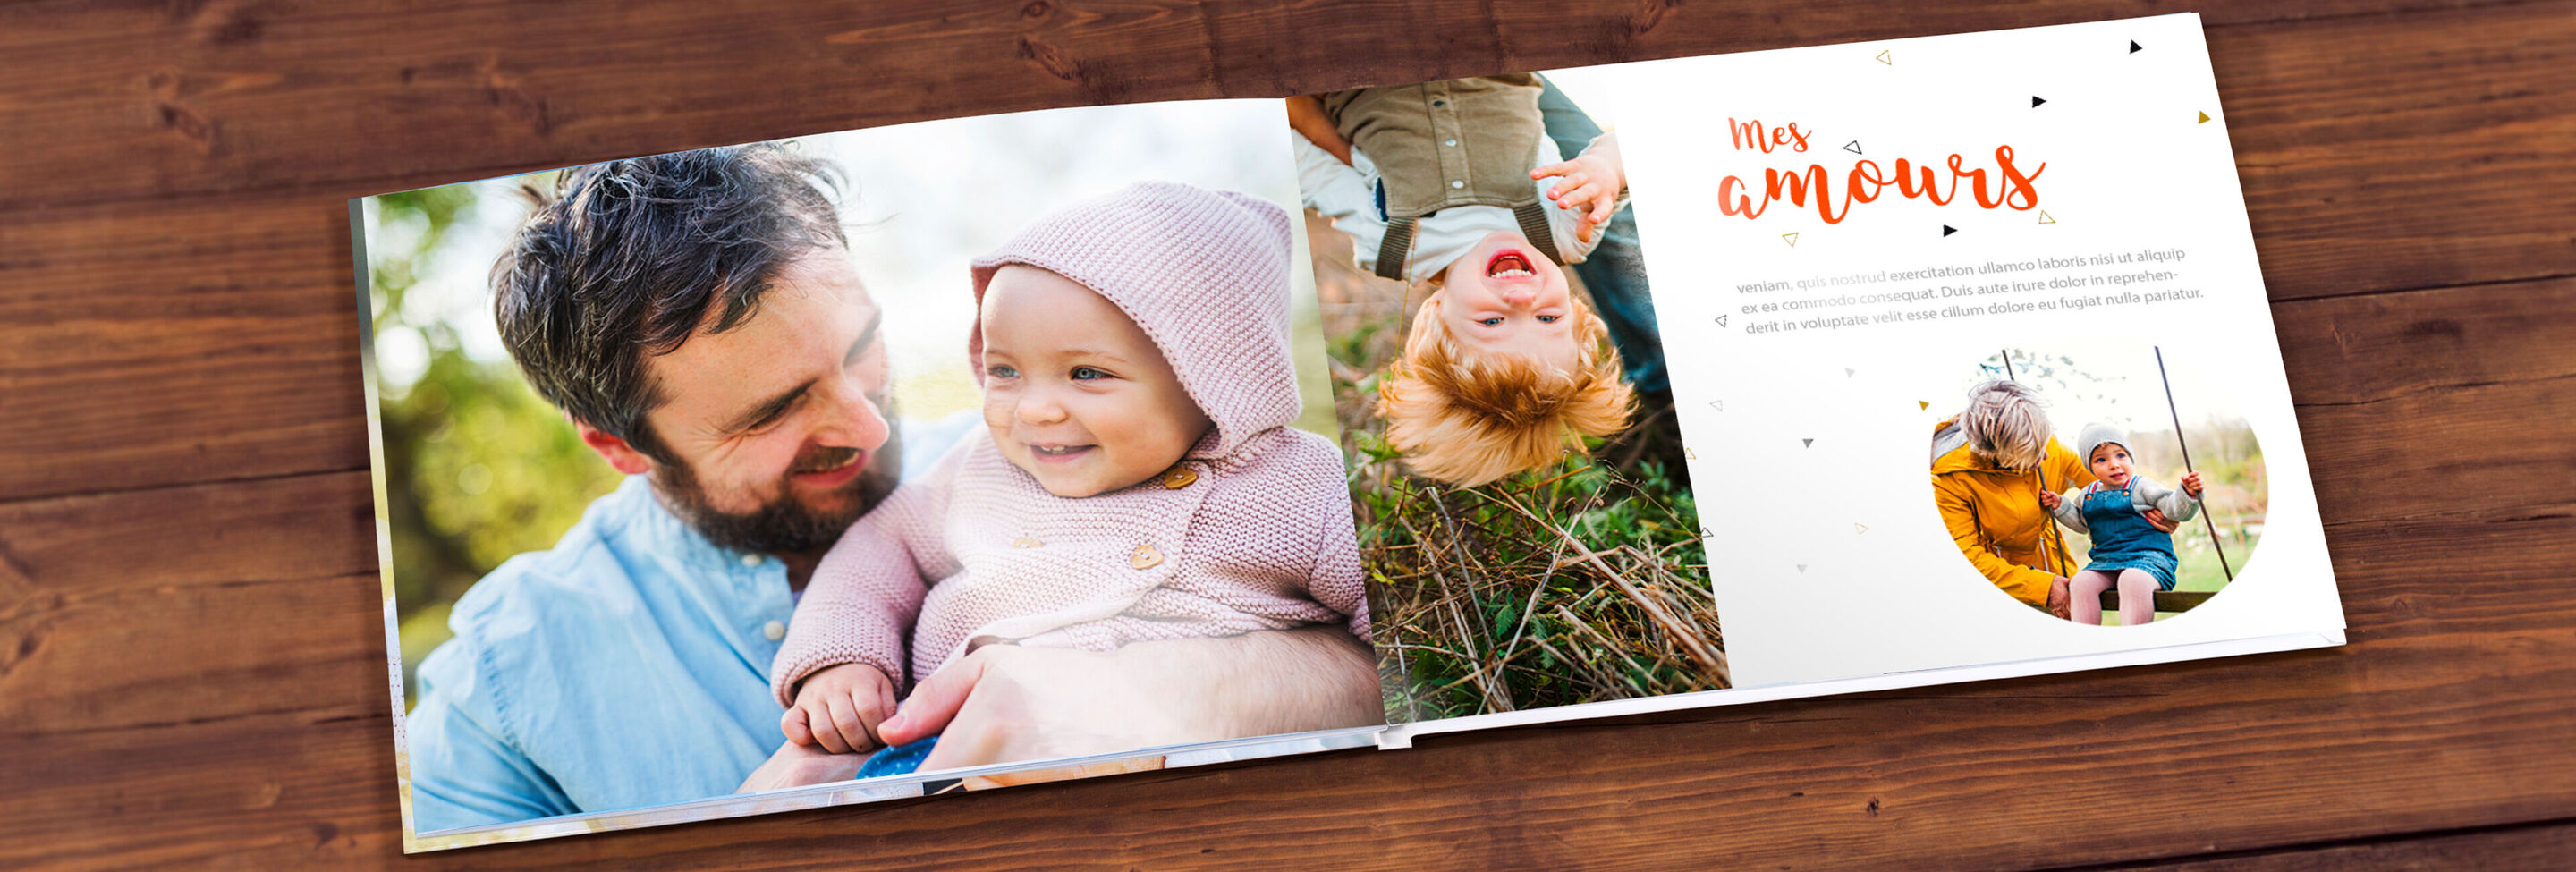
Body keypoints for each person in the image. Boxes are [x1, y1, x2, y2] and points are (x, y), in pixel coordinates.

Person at [402, 146, 1379, 833]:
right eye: (773, 410)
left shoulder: (1022, 458)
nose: (870, 428)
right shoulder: (500, 691)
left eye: (862, 351)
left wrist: (1176, 691)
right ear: (619, 446)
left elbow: (1413, 654)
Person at [769, 183, 1373, 774]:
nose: (1034, 410)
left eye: (1086, 373)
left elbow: (1396, 627)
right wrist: (842, 659)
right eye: (1005, 370)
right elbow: (876, 553)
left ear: (1213, 377)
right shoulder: (981, 468)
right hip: (934, 750)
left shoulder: (1298, 485)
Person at [1287, 75, 1637, 486]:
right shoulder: (1568, 231)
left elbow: (1313, 168)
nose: (1522, 298)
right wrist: (1606, 168)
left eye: (1492, 323)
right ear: (1575, 311)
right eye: (1548, 319)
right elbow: (1628, 150)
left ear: (1437, 314)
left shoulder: (1391, 245)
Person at [1929, 379, 2174, 618]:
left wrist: (2155, 511)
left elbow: (2114, 487)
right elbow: (1966, 556)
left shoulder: (2044, 443)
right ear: (1997, 454)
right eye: (2032, 452)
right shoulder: (1950, 478)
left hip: (2058, 569)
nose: (2046, 455)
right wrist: (2042, 587)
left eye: (2044, 443)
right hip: (1997, 586)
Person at [2040, 424, 2206, 626]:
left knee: (2131, 579)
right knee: (2080, 583)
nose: (2114, 465)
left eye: (2120, 455)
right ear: (2089, 467)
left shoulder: (2143, 487)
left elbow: (2175, 511)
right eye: (2101, 460)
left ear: (2130, 457)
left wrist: (2188, 494)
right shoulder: (2088, 494)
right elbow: (2082, 524)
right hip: (2106, 562)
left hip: (2149, 559)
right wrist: (2061, 506)